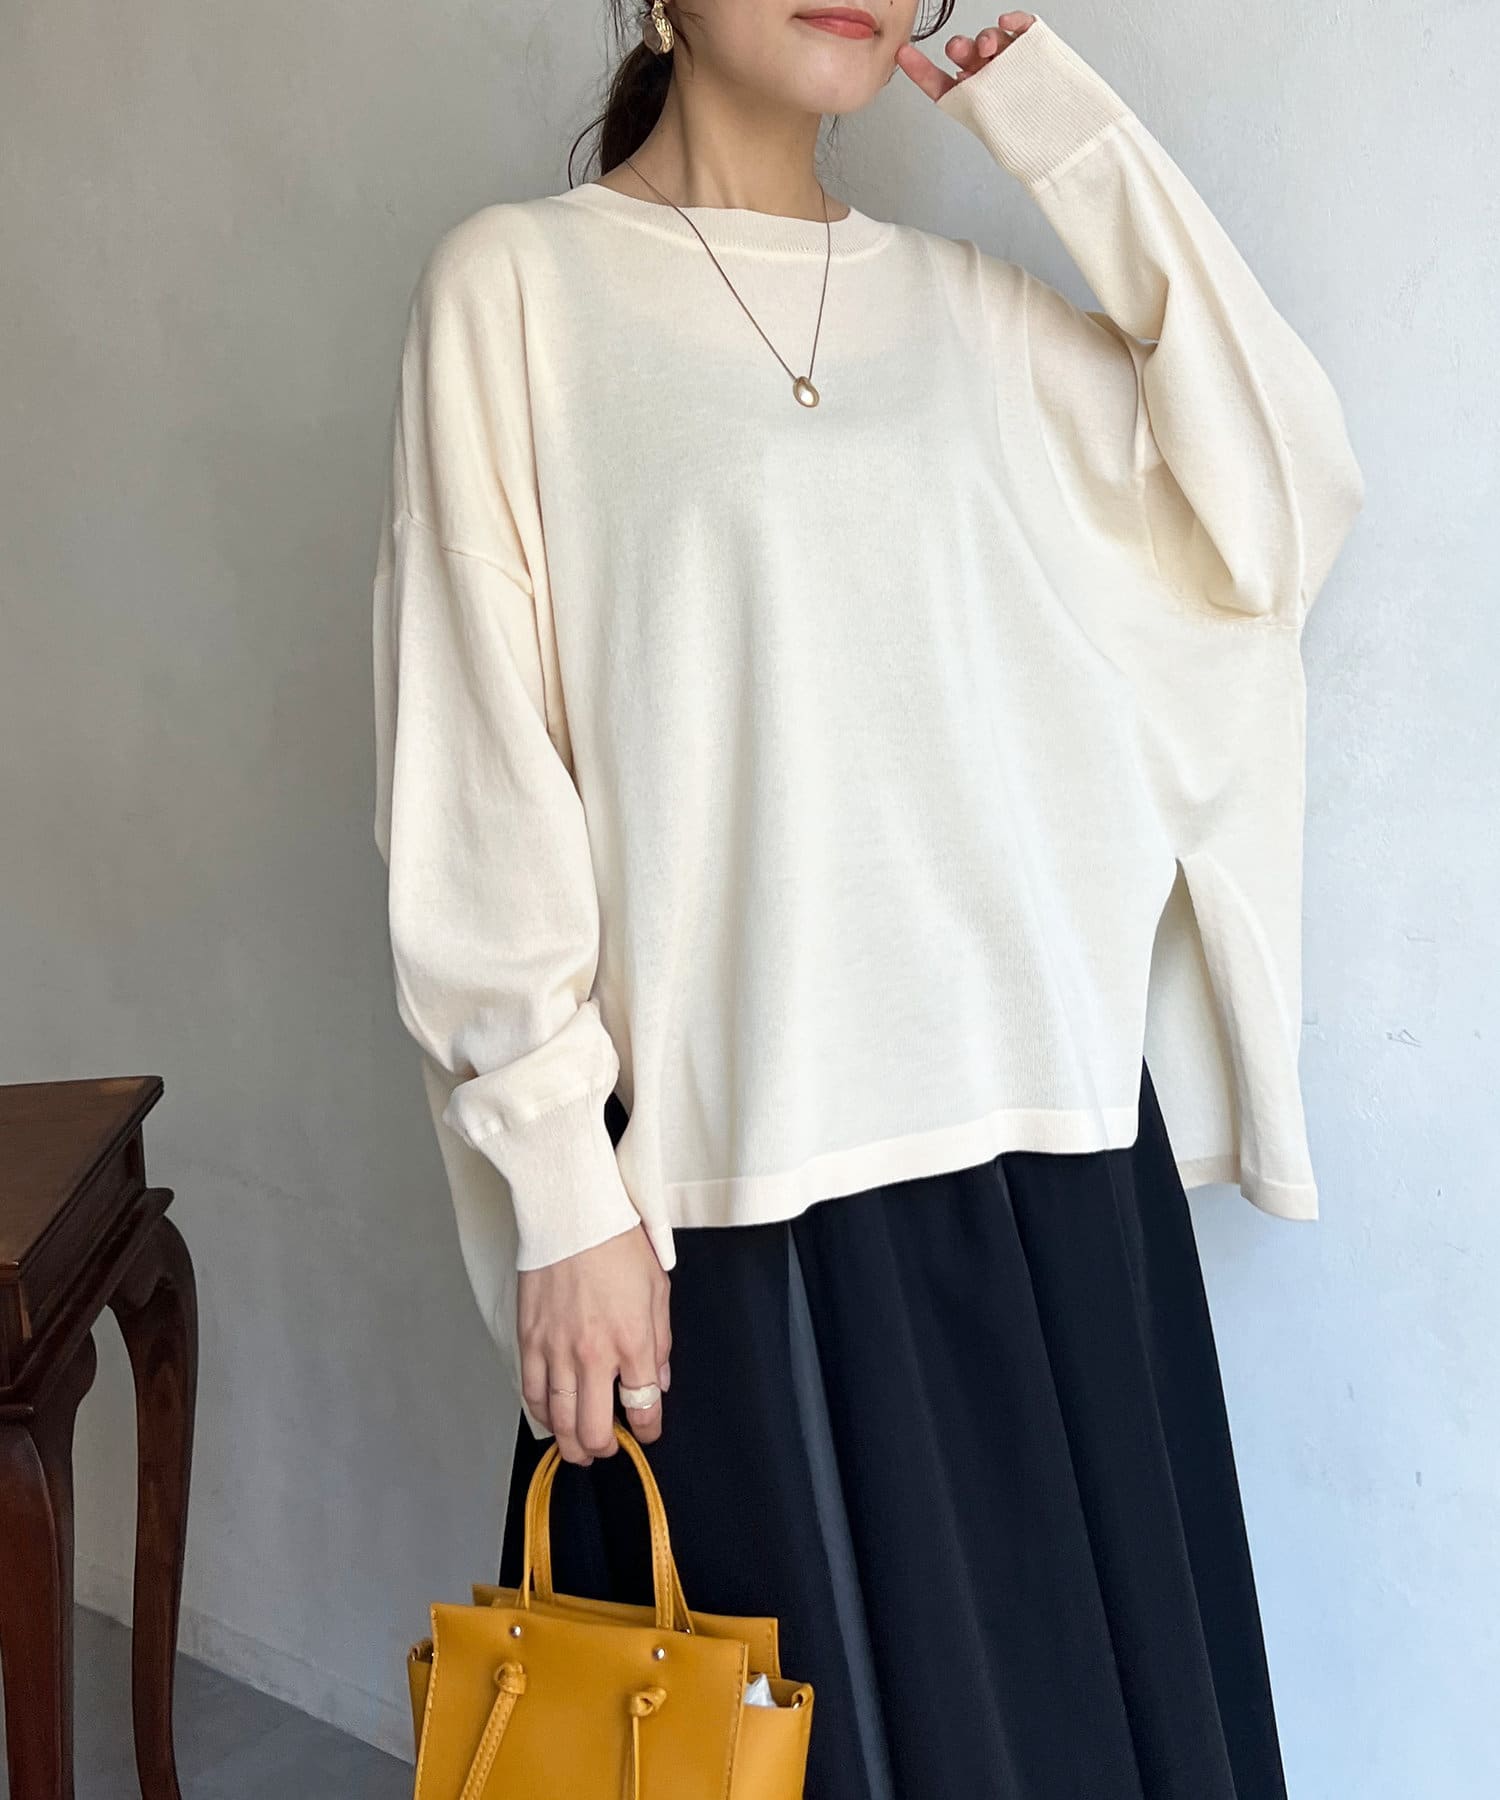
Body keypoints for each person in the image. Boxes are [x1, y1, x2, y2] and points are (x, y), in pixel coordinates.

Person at [371, 6, 1364, 1795]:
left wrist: (1055, 124)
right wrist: (557, 1184)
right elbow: (474, 770)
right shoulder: (515, 291)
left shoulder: (977, 319)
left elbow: (1279, 507)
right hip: (732, 1193)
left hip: (1047, 1175)